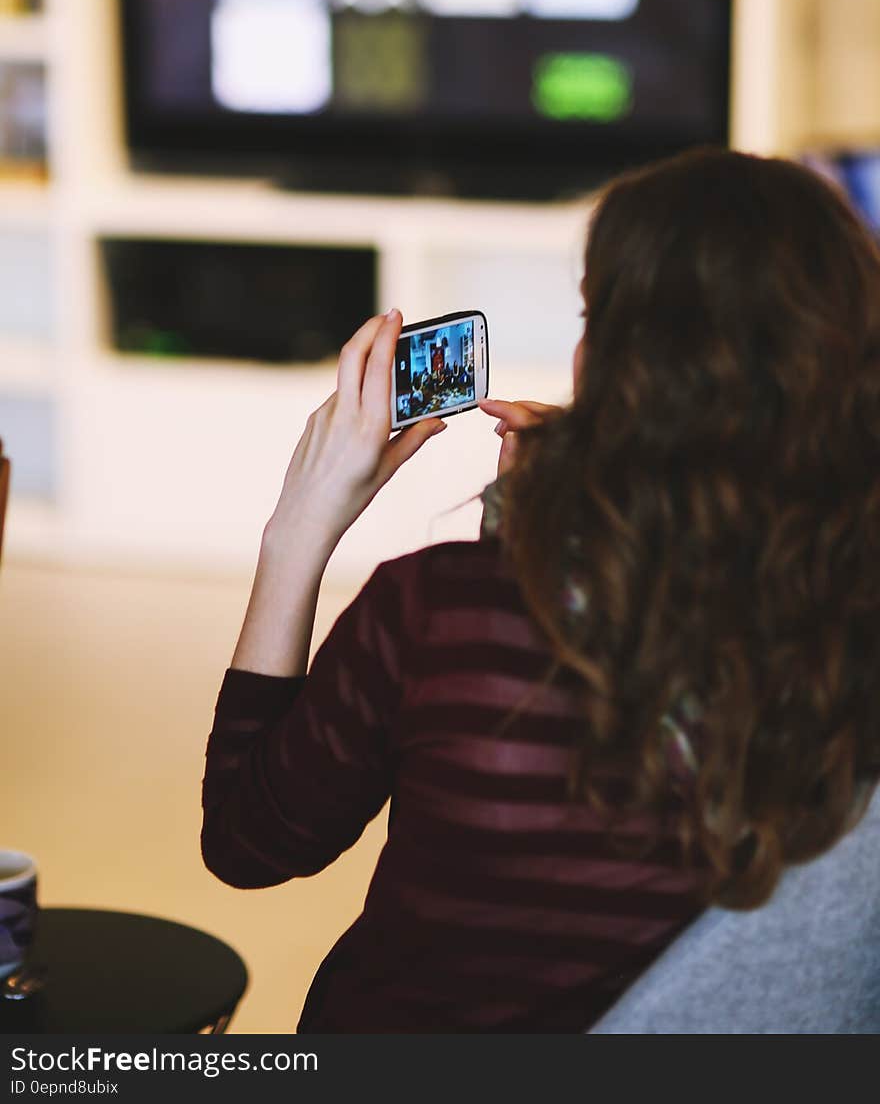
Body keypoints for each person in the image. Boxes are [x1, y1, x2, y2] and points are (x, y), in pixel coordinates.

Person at [201, 148, 880, 1032]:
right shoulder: (850, 630)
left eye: (594, 313)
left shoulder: (439, 612)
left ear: (622, 362)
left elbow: (248, 842)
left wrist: (299, 528)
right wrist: (575, 519)